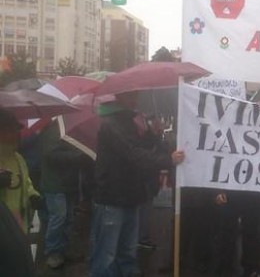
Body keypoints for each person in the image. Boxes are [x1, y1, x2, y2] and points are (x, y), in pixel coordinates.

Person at [89, 91, 185, 277]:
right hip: (112, 197)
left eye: (136, 96)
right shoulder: (111, 124)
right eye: (130, 96)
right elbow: (133, 153)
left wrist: (155, 135)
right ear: (120, 98)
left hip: (131, 195)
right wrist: (168, 160)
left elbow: (144, 147)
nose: (135, 100)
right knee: (106, 253)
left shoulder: (131, 122)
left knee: (128, 249)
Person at [39, 122, 93, 269]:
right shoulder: (53, 129)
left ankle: (64, 250)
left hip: (70, 183)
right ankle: (53, 252)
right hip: (55, 183)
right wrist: (77, 157)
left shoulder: (72, 129)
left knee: (68, 218)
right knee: (59, 218)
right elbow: (50, 154)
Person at [0, 108, 41, 233]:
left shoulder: (18, 158)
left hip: (19, 218)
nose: (16, 134)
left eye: (16, 130)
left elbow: (25, 180)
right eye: (10, 130)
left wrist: (33, 195)